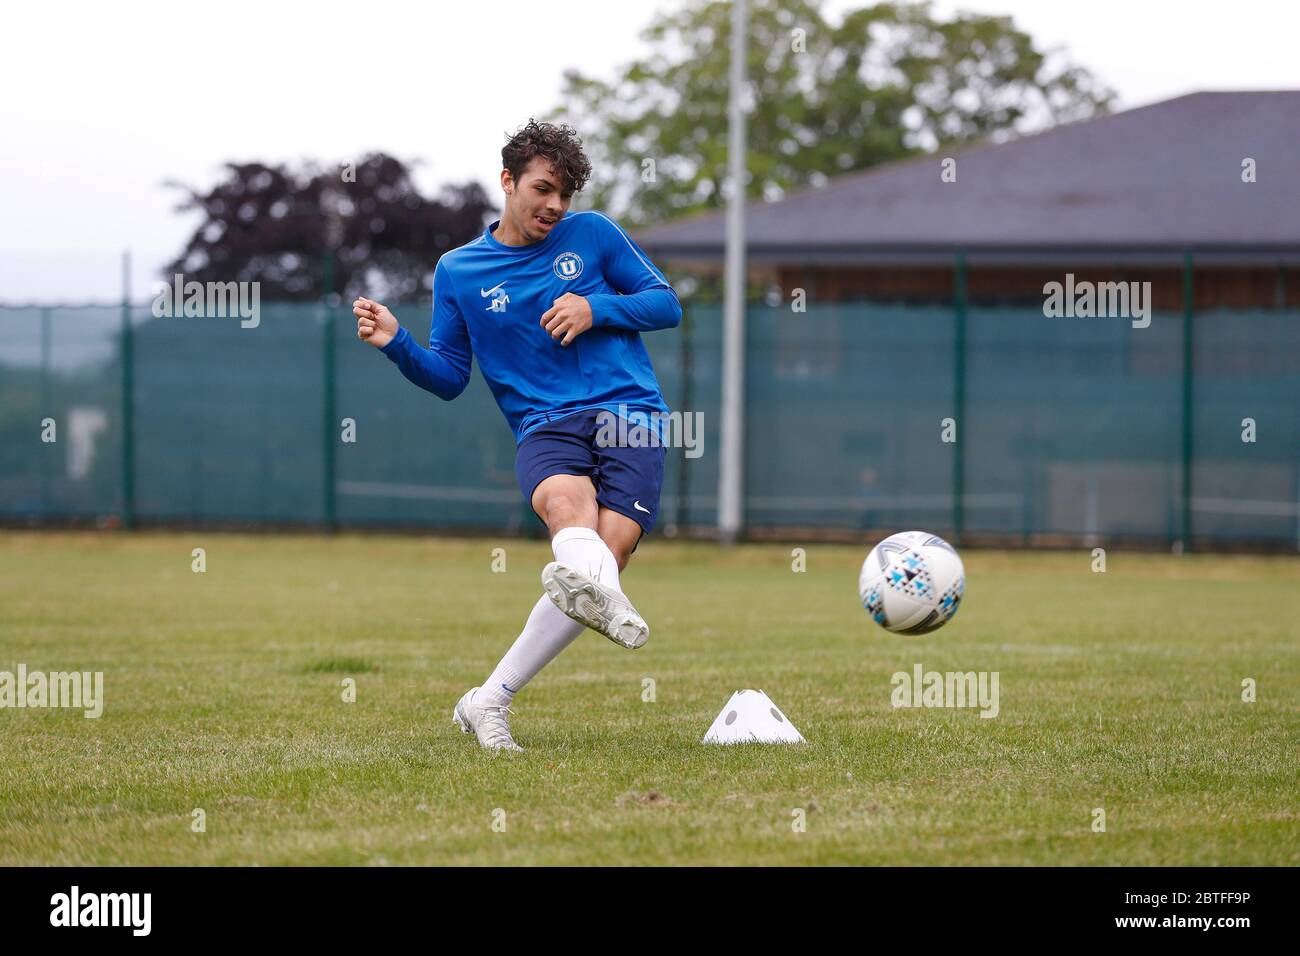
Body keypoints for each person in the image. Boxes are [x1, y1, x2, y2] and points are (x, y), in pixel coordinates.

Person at [353, 119, 681, 751]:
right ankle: (593, 610)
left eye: (565, 194)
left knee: (604, 555)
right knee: (567, 509)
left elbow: (665, 303)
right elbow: (449, 377)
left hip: (631, 415)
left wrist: (596, 308)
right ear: (508, 181)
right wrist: (397, 343)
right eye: (543, 188)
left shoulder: (595, 236)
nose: (555, 205)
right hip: (544, 424)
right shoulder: (459, 271)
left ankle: (487, 700)